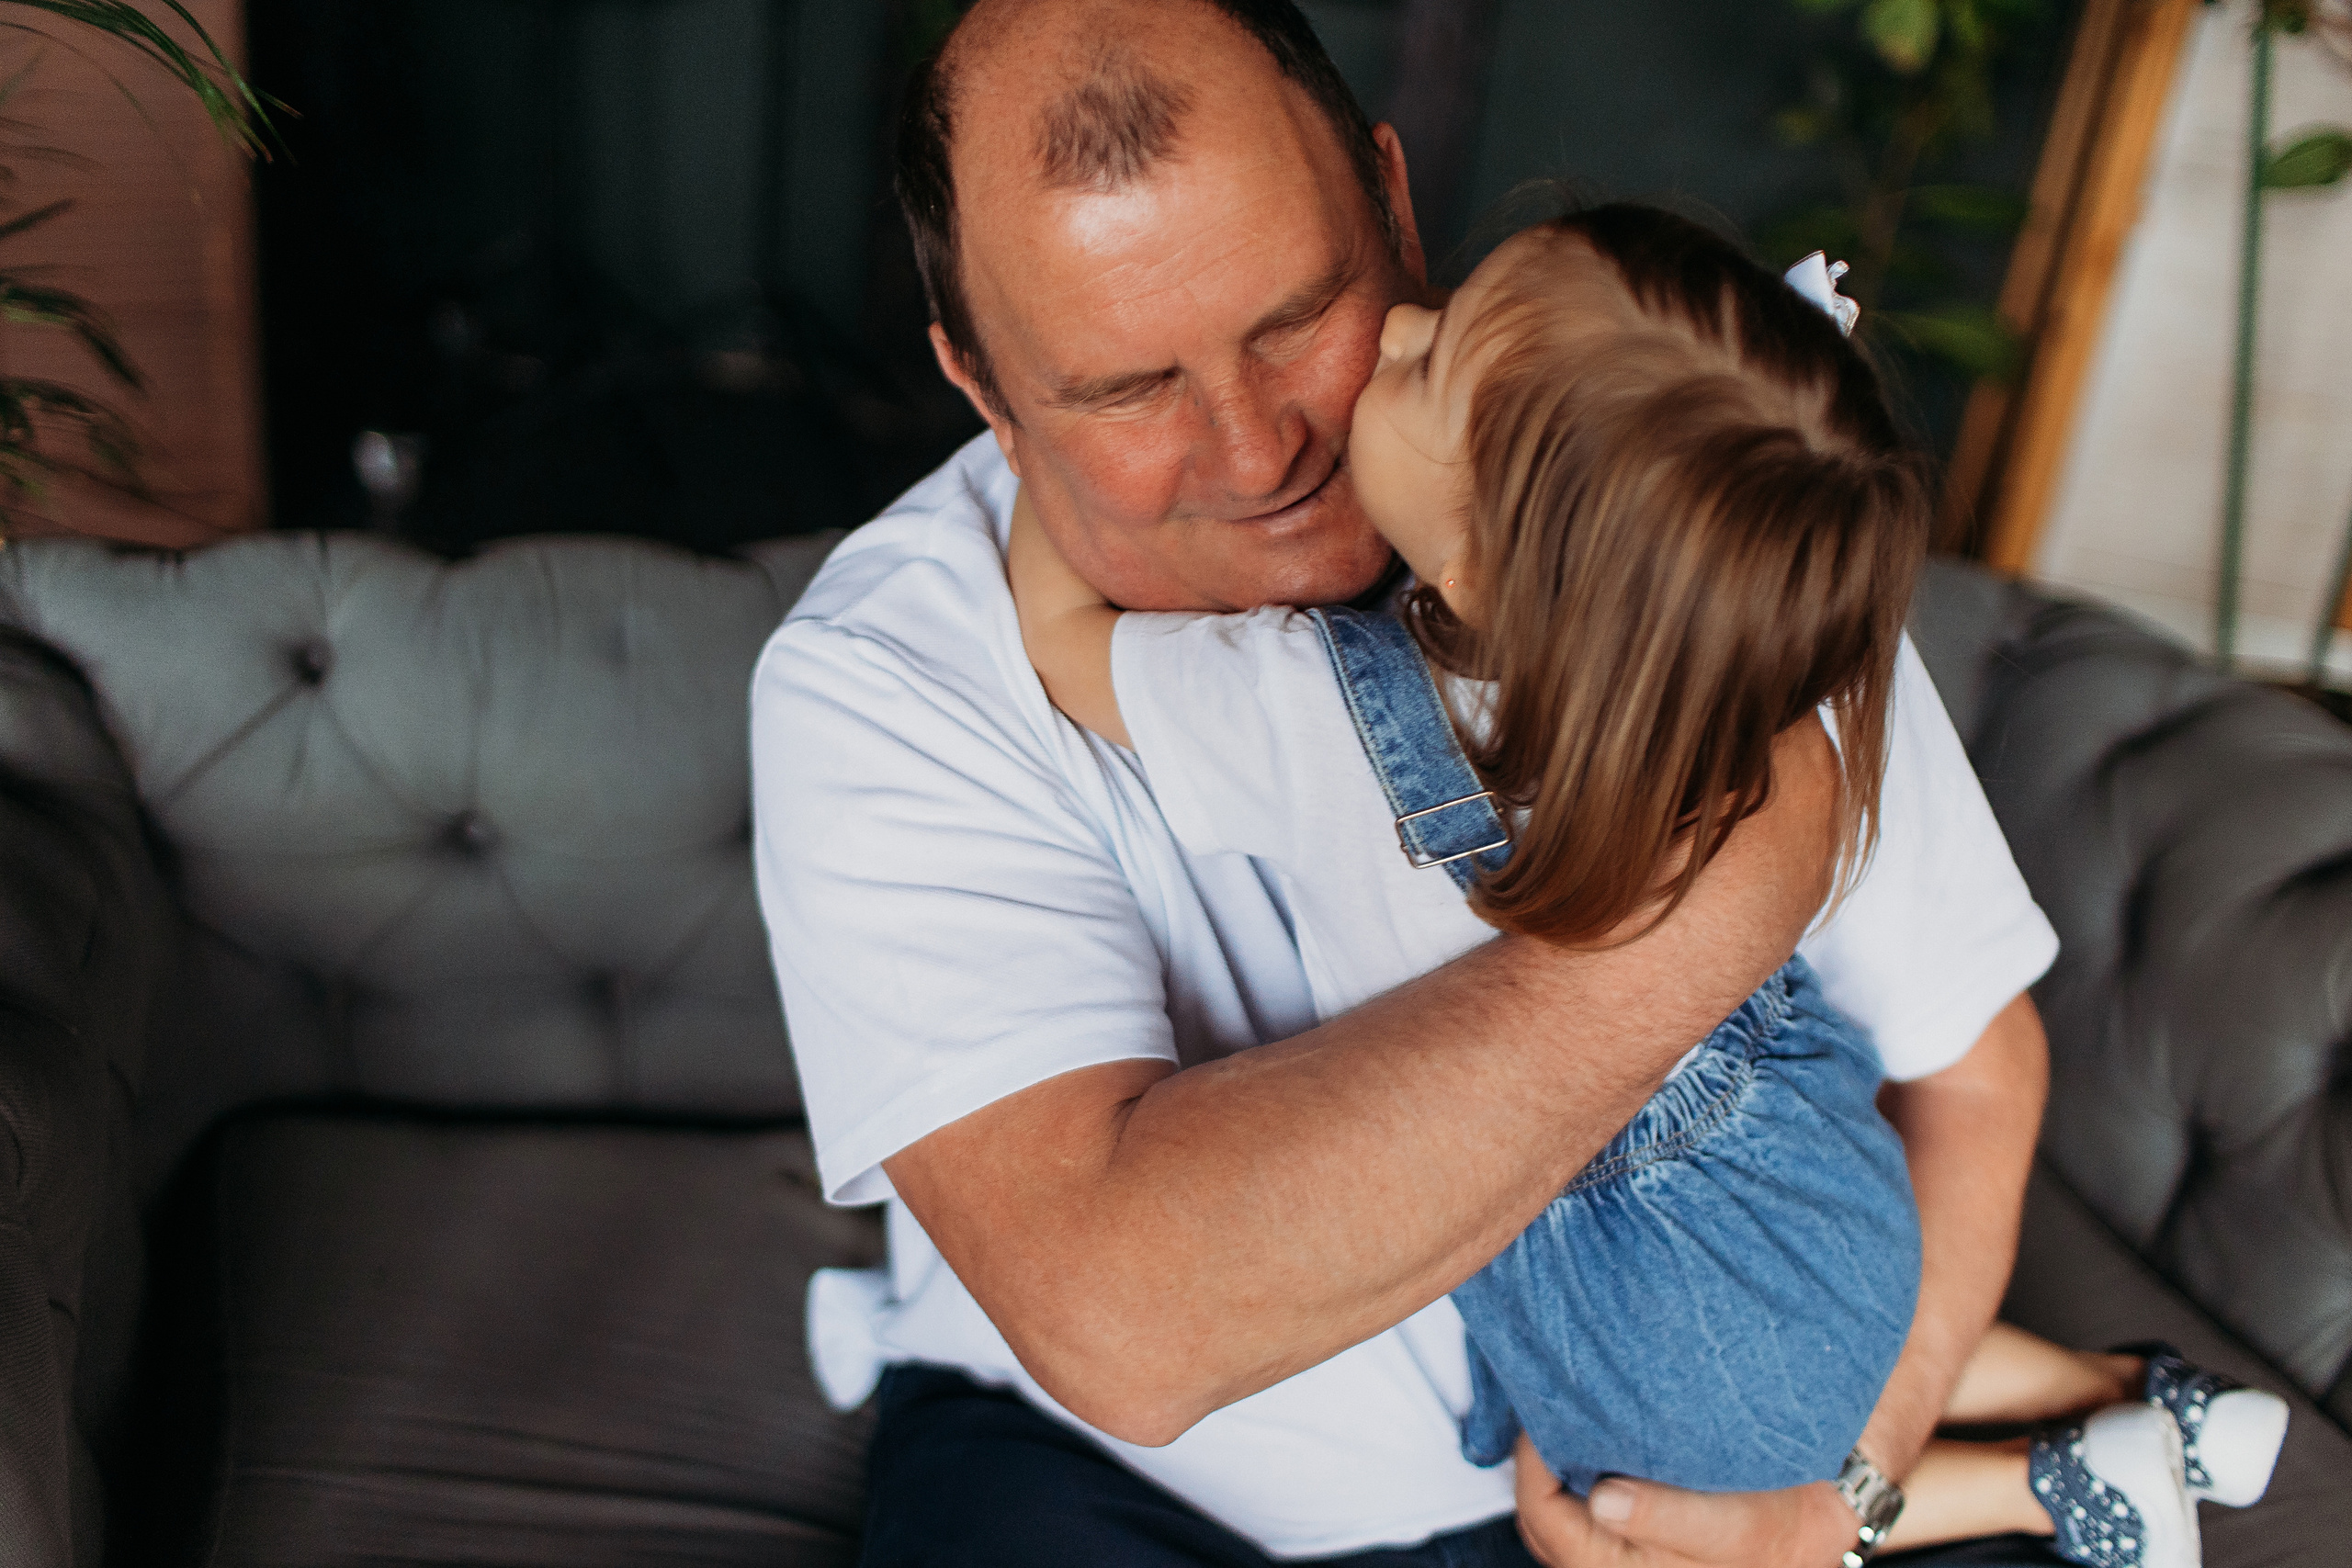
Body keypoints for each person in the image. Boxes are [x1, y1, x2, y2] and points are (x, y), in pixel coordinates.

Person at [752, 2, 2044, 1562]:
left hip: (1639, 1471)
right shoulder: (880, 674)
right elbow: (1129, 1331)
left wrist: (1840, 1502)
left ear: (1395, 202)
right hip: (1108, 1481)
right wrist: (1732, 890)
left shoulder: (1678, 515)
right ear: (981, 383)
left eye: (1299, 317)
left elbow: (1976, 1071)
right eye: (1125, 390)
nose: (1258, 450)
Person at [1004, 200, 2292, 1568]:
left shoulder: (1311, 715)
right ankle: (2115, 1402)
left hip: (1641, 1300)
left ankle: (2050, 1481)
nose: (1396, 321)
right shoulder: (1736, 683)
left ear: (1489, 560)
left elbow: (1063, 633)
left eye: (1428, 368)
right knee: (1808, 1367)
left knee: (1630, 1508)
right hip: (1816, 1182)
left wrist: (1043, 436)